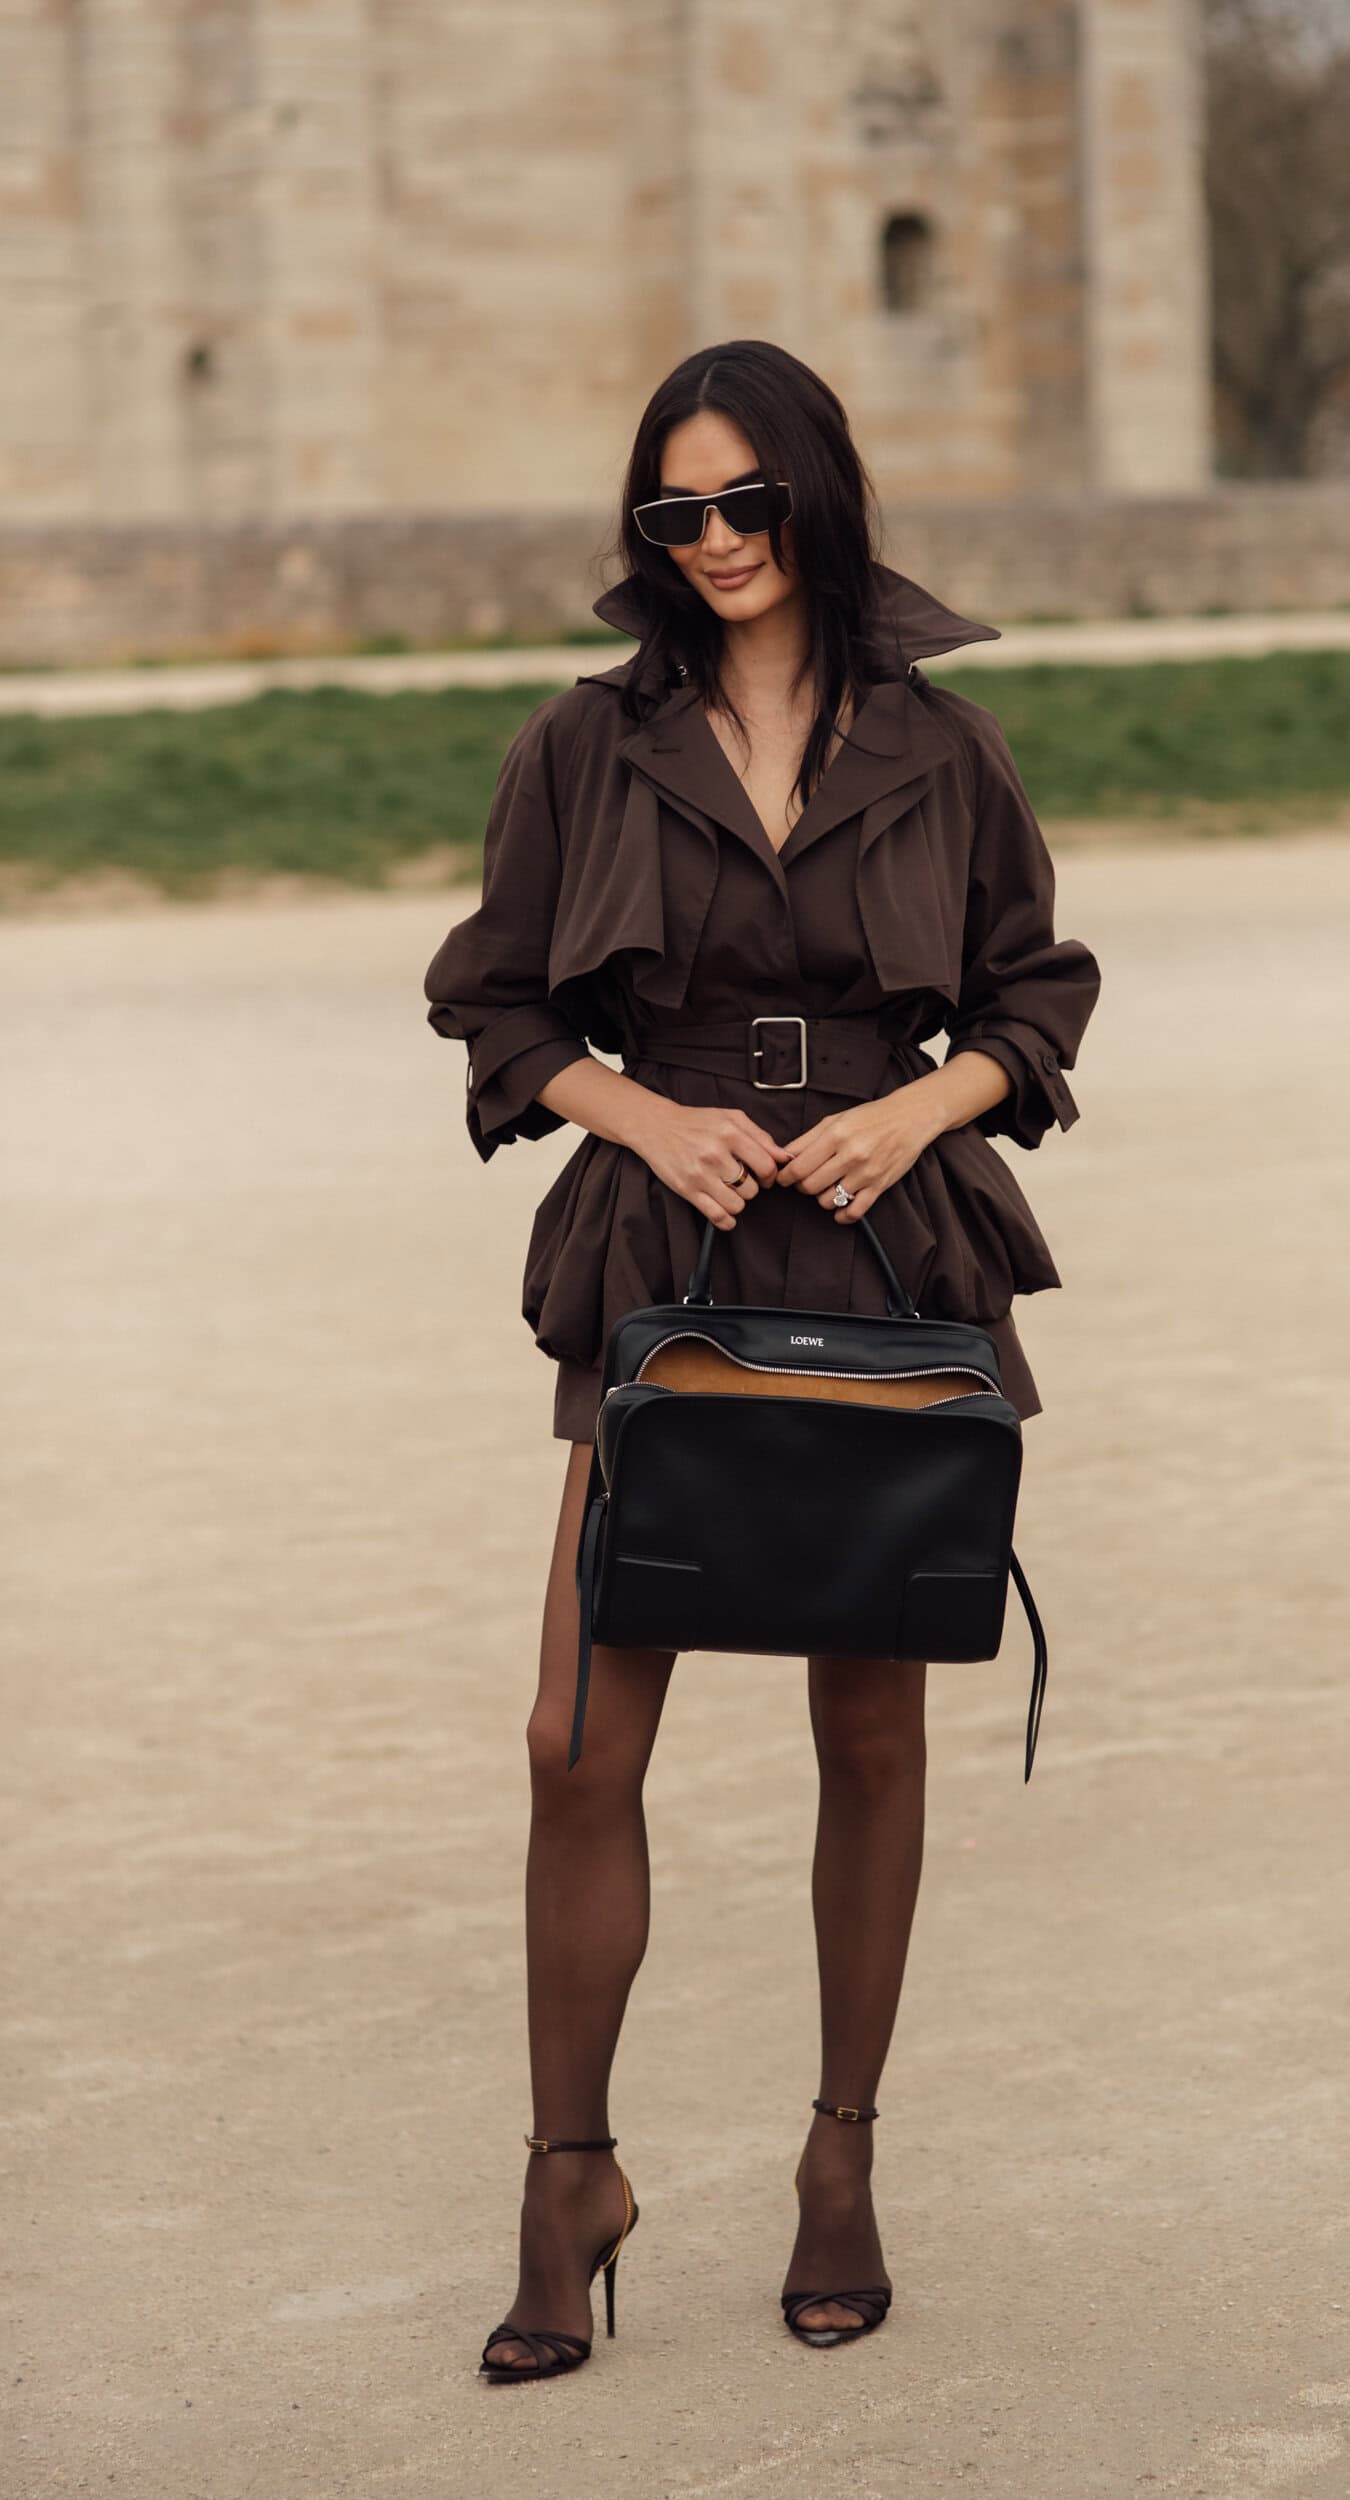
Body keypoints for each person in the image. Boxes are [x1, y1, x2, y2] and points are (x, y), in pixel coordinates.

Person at [422, 338, 1101, 2381]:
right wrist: (644, 1115)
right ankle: (569, 2178)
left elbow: (1036, 1001)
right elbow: (497, 1007)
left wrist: (920, 1107)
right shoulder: (583, 743)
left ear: (815, 493)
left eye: (745, 501)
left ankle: (840, 2162)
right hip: (668, 1255)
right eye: (676, 511)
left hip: (890, 1247)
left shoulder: (948, 746)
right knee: (574, 1738)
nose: (714, 540)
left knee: (870, 1731)